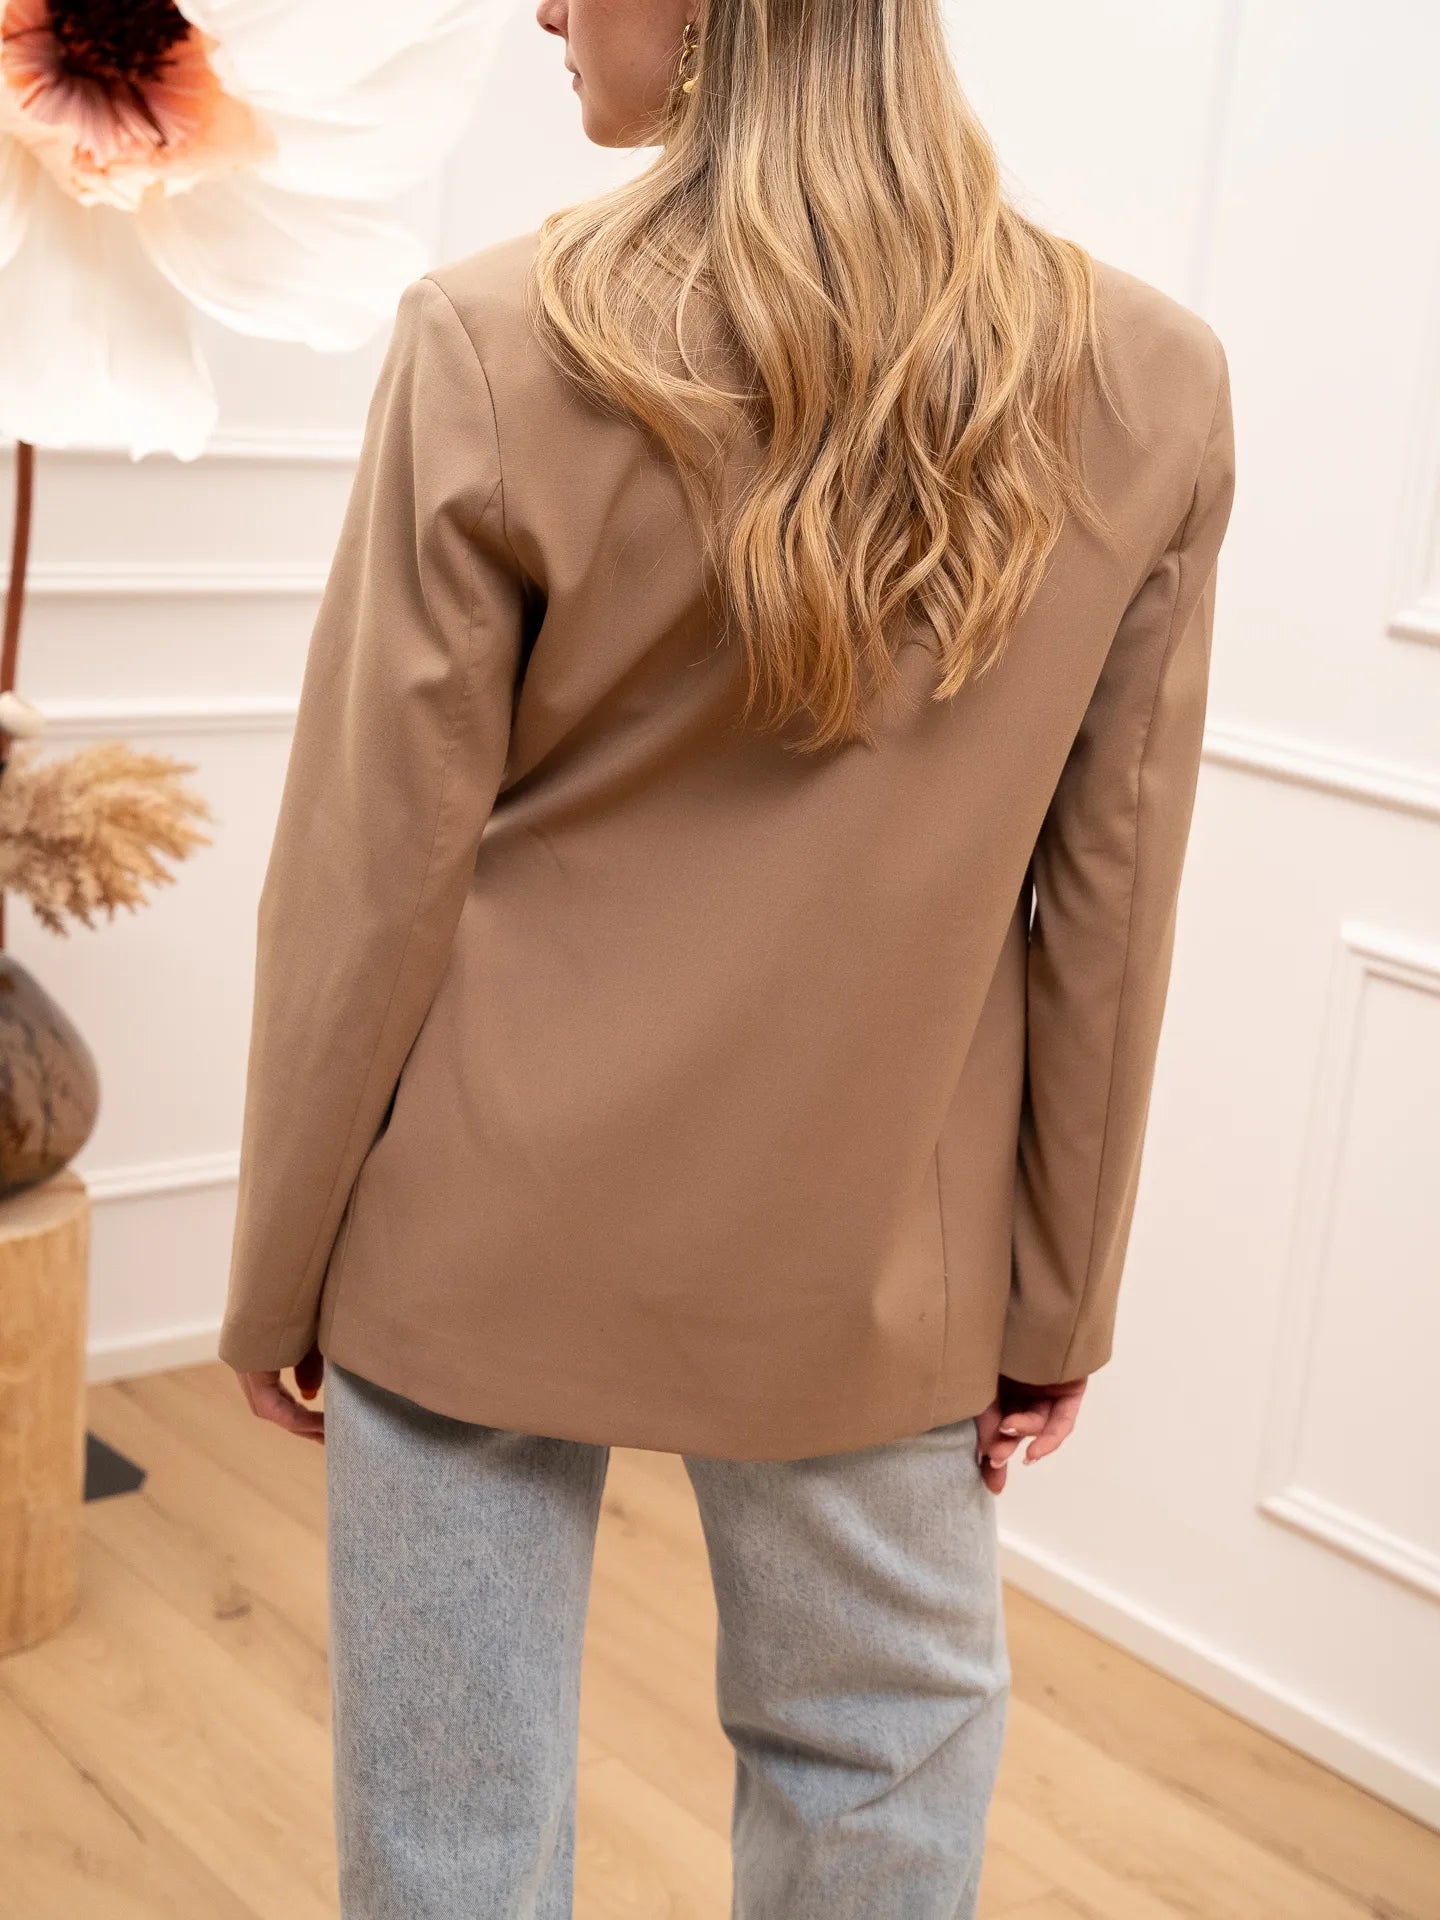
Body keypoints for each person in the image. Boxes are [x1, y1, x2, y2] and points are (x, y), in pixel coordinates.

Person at [217, 0, 1236, 1913]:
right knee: (878, 1754)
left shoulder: (490, 337)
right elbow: (1106, 899)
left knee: (450, 1818)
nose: (543, 7)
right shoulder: (1152, 378)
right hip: (874, 1252)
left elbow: (370, 873)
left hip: (473, 1223)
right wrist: (1056, 1302)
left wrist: (280, 1261)